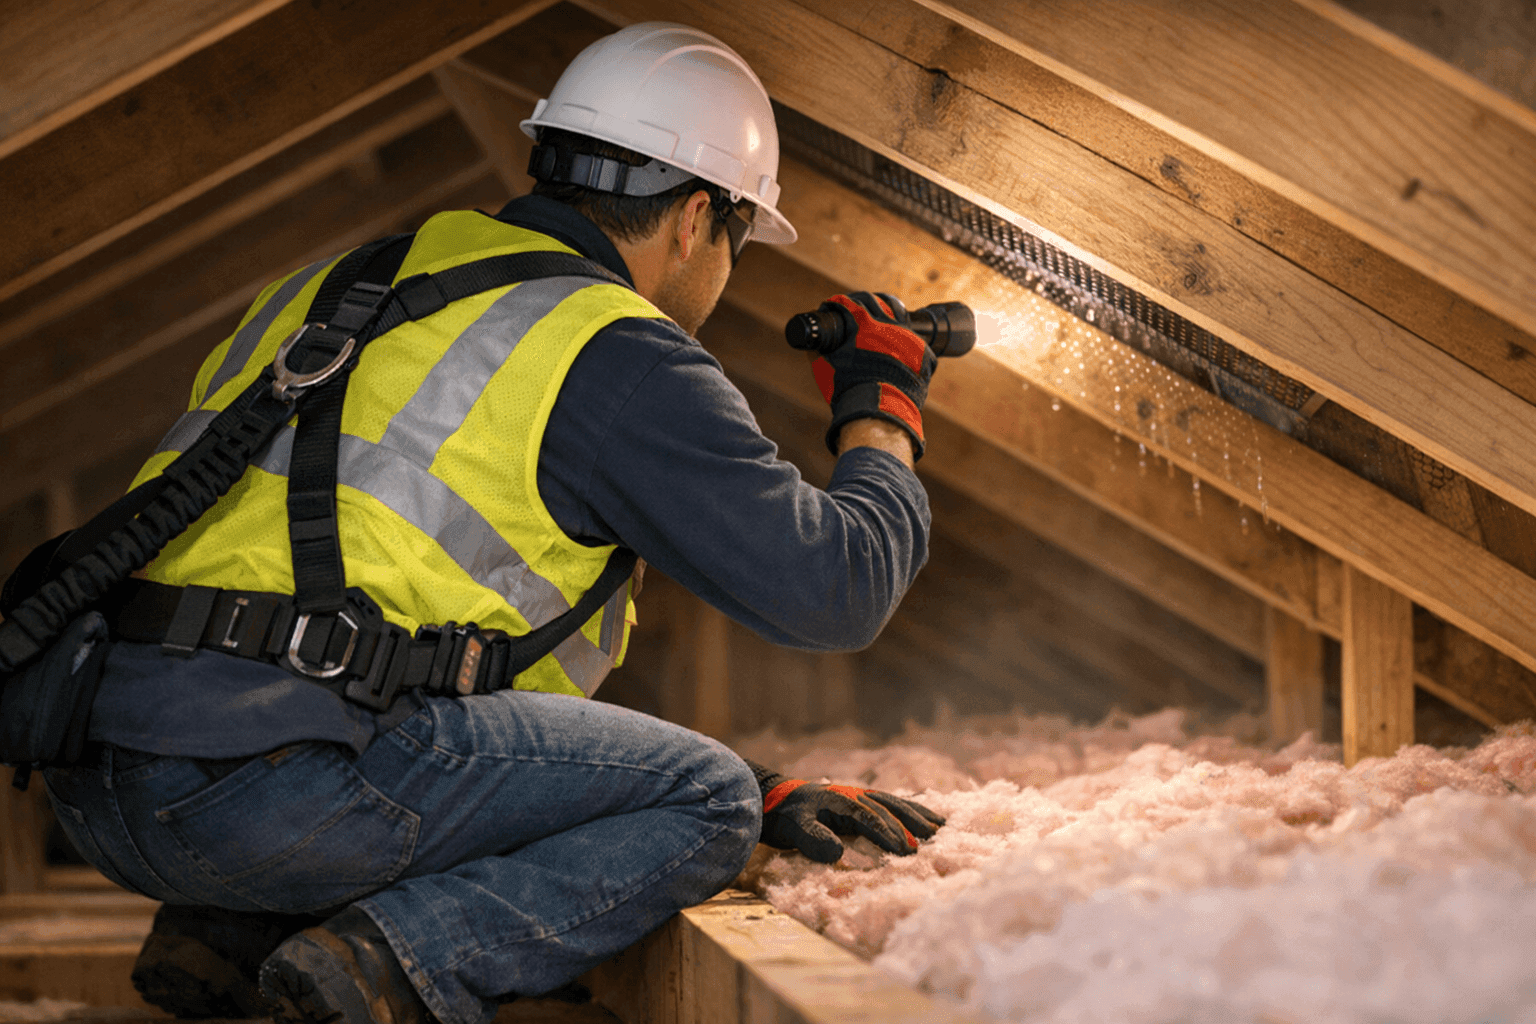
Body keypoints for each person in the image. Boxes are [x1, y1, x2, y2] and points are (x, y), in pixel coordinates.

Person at [39, 21, 943, 1024]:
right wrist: (884, 402)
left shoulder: (345, 281)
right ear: (695, 220)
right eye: (736, 241)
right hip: (270, 797)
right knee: (707, 802)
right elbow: (837, 587)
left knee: (704, 778)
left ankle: (226, 935)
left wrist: (773, 780)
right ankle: (386, 967)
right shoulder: (616, 349)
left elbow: (433, 657)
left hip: (100, 781)